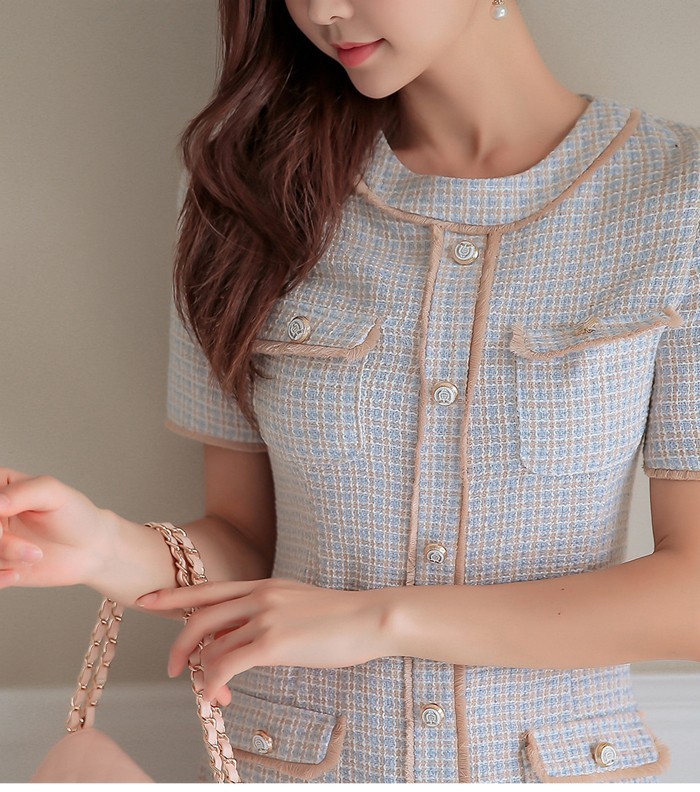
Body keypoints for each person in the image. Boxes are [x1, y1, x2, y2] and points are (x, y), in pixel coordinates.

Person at [1, 0, 699, 783]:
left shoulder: (679, 197)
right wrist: (105, 546)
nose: (323, 10)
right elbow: (245, 544)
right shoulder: (241, 194)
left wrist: (382, 620)